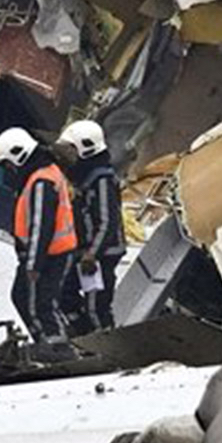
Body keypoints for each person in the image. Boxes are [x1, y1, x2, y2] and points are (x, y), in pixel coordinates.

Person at [0, 126, 78, 358]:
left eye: (8, 164)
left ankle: (55, 345)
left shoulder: (42, 180)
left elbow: (42, 225)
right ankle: (56, 342)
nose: (9, 170)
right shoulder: (43, 173)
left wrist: (33, 264)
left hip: (49, 255)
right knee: (33, 298)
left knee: (37, 302)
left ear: (19, 155)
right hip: (51, 253)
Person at [57, 119, 124, 333]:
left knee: (97, 307)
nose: (67, 157)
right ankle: (84, 337)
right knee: (63, 294)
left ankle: (106, 347)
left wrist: (92, 254)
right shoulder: (84, 179)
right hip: (86, 252)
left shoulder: (102, 180)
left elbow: (107, 221)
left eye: (71, 151)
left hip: (101, 254)